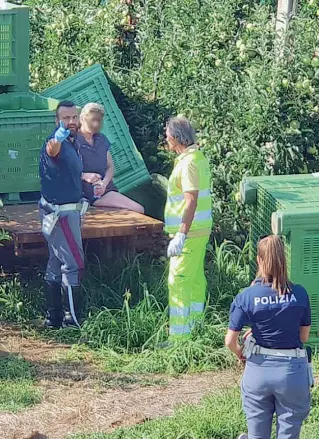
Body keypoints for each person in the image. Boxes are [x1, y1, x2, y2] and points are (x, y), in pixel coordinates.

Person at [225, 235, 312, 439]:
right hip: (292, 372)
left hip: (258, 371)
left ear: (259, 260)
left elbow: (230, 340)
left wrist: (241, 353)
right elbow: (304, 337)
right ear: (284, 259)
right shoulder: (300, 294)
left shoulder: (246, 296)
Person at [164, 116, 212, 342]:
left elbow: (190, 200)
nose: (167, 140)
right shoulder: (195, 157)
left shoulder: (189, 162)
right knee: (194, 281)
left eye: (167, 136)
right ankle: (195, 327)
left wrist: (181, 233)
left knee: (179, 281)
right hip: (198, 231)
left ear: (175, 138)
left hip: (190, 234)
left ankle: (179, 339)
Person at [39, 100, 87, 329]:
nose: (71, 122)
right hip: (61, 215)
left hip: (59, 210)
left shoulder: (73, 142)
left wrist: (85, 177)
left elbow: (66, 169)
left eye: (74, 117)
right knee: (74, 263)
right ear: (57, 121)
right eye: (66, 118)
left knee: (56, 261)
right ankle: (72, 320)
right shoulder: (57, 142)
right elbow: (52, 150)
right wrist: (57, 138)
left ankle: (53, 318)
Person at [79, 103, 144, 213]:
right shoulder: (72, 141)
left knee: (138, 209)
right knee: (137, 210)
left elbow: (110, 166)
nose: (96, 124)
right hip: (81, 193)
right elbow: (63, 171)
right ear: (82, 119)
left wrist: (104, 184)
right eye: (92, 120)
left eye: (99, 120)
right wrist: (84, 176)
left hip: (103, 191)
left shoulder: (102, 139)